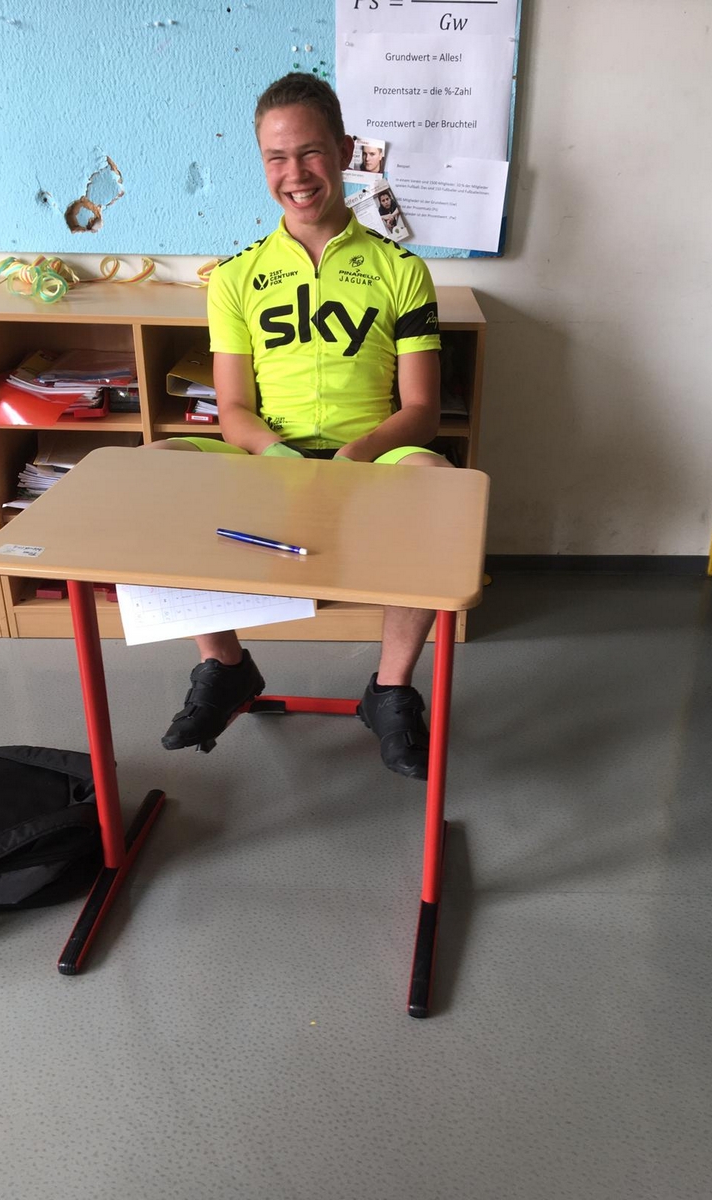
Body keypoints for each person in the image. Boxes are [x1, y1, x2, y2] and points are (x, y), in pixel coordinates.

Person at [149, 73, 450, 780]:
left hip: (369, 455)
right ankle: (225, 666)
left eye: (311, 152)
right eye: (276, 158)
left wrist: (355, 455)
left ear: (343, 151)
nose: (296, 174)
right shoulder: (235, 277)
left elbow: (423, 411)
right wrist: (279, 454)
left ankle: (391, 689)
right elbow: (232, 411)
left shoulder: (402, 269)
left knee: (438, 481)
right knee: (153, 465)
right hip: (269, 454)